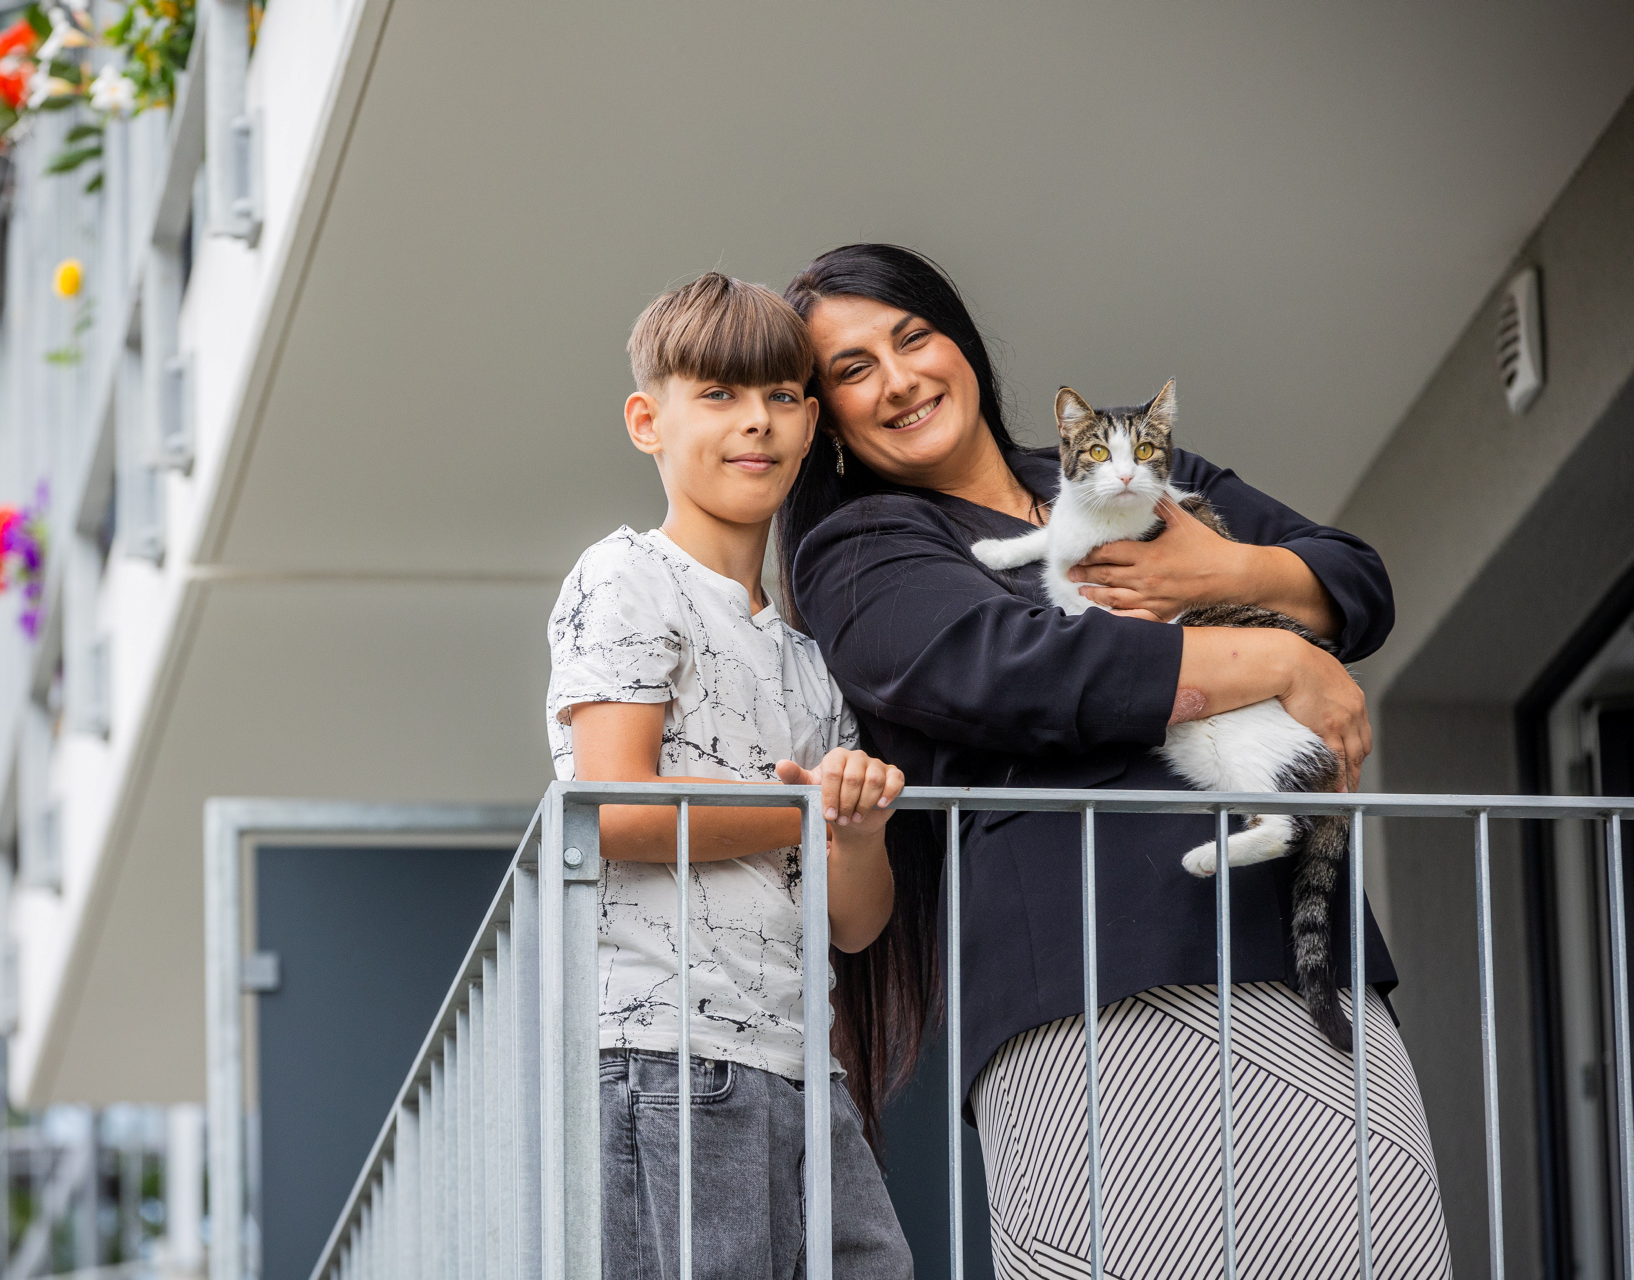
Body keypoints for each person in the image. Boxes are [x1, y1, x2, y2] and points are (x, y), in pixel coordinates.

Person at [778, 245, 1451, 1278]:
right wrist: (1266, 652)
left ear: (960, 339)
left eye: (913, 337)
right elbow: (1015, 670)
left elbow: (1354, 580)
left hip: (1288, 939)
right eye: (854, 368)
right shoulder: (861, 549)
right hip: (1087, 975)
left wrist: (1224, 568)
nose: (900, 377)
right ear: (827, 414)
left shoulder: (1122, 473)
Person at [545, 273, 917, 1280]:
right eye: (718, 393)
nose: (757, 421)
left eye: (783, 396)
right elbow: (614, 805)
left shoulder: (808, 655)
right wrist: (803, 813)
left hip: (802, 1063)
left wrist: (857, 825)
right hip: (668, 1046)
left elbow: (855, 921)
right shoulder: (626, 574)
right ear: (646, 420)